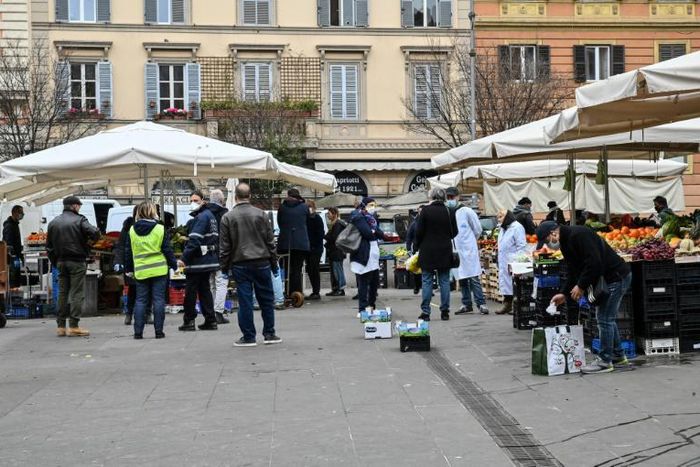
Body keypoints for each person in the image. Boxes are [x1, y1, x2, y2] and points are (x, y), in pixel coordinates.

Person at [542, 221, 632, 374]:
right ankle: (618, 356)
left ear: (553, 234)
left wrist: (581, 286)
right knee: (607, 318)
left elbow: (594, 263)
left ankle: (605, 361)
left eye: (546, 240)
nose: (548, 245)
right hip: (609, 278)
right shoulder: (566, 242)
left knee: (604, 318)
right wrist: (564, 293)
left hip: (616, 277)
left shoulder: (579, 234)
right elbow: (573, 271)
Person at [219, 183, 282, 347]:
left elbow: (225, 247)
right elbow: (270, 242)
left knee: (245, 300)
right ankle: (269, 333)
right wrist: (274, 265)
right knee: (266, 300)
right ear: (250, 196)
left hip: (240, 263)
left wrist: (224, 268)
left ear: (235, 197)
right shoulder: (261, 214)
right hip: (262, 262)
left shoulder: (228, 217)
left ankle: (248, 336)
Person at [47, 196, 100, 337]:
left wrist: (55, 262)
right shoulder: (80, 220)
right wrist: (88, 244)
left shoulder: (53, 222)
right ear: (74, 206)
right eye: (79, 206)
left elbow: (49, 247)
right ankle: (74, 326)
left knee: (63, 293)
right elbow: (95, 232)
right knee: (76, 293)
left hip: (61, 262)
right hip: (76, 261)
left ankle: (61, 327)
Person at [124, 201, 178, 339]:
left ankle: (138, 332)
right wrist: (174, 264)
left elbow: (128, 252)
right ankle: (159, 332)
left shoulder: (132, 230)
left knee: (141, 301)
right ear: (152, 212)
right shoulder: (160, 229)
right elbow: (167, 249)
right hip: (159, 270)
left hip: (141, 270)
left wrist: (129, 269)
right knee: (158, 300)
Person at [178, 190, 220, 332]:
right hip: (208, 259)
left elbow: (195, 239)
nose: (193, 203)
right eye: (191, 200)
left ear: (203, 201)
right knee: (204, 290)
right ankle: (210, 319)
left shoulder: (202, 217)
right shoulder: (210, 215)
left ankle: (189, 320)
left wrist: (184, 258)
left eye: (196, 200)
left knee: (191, 290)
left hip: (197, 260)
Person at [416, 188, 457, 321]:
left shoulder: (425, 211)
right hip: (444, 249)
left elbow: (419, 231)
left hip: (427, 250)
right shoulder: (449, 211)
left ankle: (426, 312)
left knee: (427, 280)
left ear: (431, 197)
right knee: (444, 281)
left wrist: (417, 246)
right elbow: (454, 232)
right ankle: (445, 311)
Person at [446, 188, 489, 315]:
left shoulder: (467, 211)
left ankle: (481, 303)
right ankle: (466, 304)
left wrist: (470, 241)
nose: (450, 200)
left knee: (473, 277)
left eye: (452, 197)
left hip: (468, 248)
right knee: (461, 277)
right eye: (448, 197)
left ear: (458, 197)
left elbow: (477, 229)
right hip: (455, 249)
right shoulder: (447, 212)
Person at [350, 197, 385, 314]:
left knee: (374, 281)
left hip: (373, 253)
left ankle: (371, 305)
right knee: (363, 281)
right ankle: (362, 309)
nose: (373, 207)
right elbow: (368, 234)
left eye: (374, 205)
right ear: (364, 205)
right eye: (370, 205)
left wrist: (376, 232)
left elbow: (379, 233)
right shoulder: (358, 217)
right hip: (363, 253)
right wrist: (375, 232)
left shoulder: (372, 218)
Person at [277, 188, 309, 298]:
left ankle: (288, 291)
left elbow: (280, 222)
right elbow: (307, 223)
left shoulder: (282, 207)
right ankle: (298, 292)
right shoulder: (304, 207)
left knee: (287, 268)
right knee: (297, 268)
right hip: (301, 243)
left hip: (285, 242)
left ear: (288, 195)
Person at [495, 209, 527, 315]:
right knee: (505, 283)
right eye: (498, 217)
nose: (498, 219)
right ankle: (507, 304)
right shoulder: (503, 228)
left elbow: (521, 246)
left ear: (507, 216)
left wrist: (518, 262)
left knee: (514, 284)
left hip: (513, 260)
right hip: (504, 260)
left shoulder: (517, 227)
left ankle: (516, 305)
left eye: (500, 216)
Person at [207, 189, 230, 324]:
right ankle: (219, 312)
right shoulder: (225, 214)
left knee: (211, 283)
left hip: (208, 252)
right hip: (222, 252)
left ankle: (211, 311)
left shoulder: (205, 213)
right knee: (221, 282)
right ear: (222, 200)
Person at [324, 207, 347, 296]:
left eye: (329, 214)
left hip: (337, 251)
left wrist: (326, 236)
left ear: (334, 214)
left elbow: (334, 238)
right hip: (335, 251)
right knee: (334, 271)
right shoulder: (334, 224)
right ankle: (335, 288)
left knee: (337, 270)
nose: (328, 216)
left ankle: (340, 289)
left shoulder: (337, 224)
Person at [305, 200, 324, 300]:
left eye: (309, 206)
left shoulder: (316, 218)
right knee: (310, 269)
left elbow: (320, 234)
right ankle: (315, 291)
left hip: (315, 249)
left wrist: (313, 244)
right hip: (309, 248)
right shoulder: (307, 218)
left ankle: (316, 292)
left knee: (314, 269)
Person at [3, 205, 24, 288]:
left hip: (15, 256)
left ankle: (15, 291)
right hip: (12, 257)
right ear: (15, 213)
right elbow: (7, 243)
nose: (22, 214)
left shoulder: (15, 224)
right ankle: (13, 295)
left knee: (16, 275)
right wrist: (14, 254)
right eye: (21, 212)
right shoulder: (9, 225)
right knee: (13, 276)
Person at [405, 205, 424, 295]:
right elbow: (409, 237)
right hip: (416, 248)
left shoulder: (428, 222)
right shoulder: (414, 223)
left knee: (426, 269)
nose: (421, 212)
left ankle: (426, 288)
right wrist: (408, 248)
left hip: (426, 248)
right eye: (420, 211)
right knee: (416, 269)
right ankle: (416, 286)